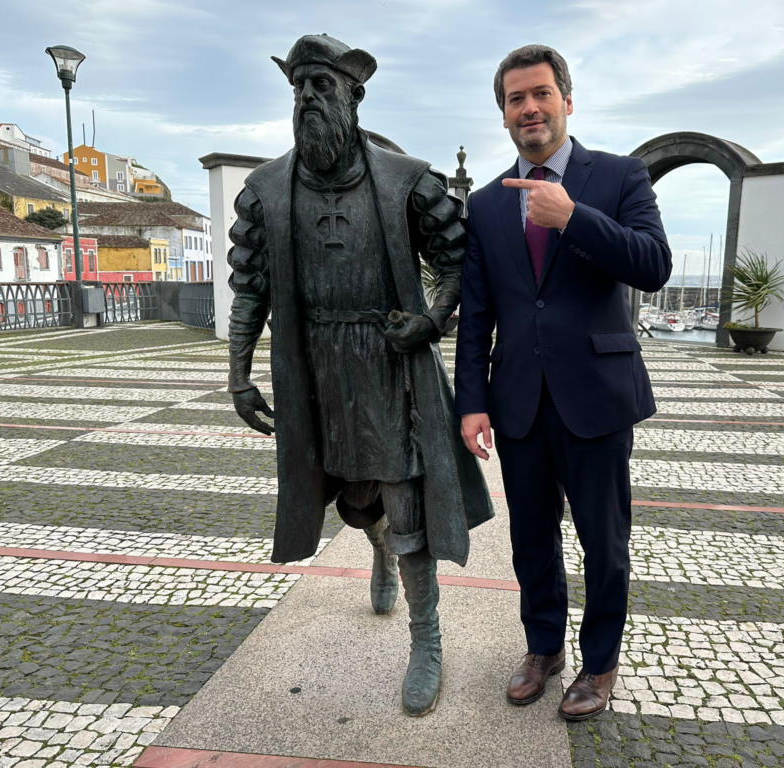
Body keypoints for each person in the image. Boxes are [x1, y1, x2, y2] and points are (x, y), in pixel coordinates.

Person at [226, 34, 493, 717]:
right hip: (313, 369)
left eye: (322, 86)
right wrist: (239, 376)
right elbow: (250, 288)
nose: (308, 99)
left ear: (354, 95)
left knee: (405, 499)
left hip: (389, 366)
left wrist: (430, 320)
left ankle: (426, 639)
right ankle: (377, 550)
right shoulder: (265, 191)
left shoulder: (407, 180)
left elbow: (457, 261)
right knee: (351, 492)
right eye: (299, 88)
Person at [454, 44, 672, 721]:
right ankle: (542, 647)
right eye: (515, 99)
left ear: (567, 102)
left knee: (604, 542)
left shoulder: (620, 176)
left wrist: (573, 216)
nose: (529, 108)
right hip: (519, 399)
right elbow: (477, 313)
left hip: (596, 395)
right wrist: (471, 402)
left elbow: (654, 265)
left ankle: (599, 663)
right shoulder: (486, 204)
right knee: (531, 541)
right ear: (503, 115)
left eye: (540, 93)